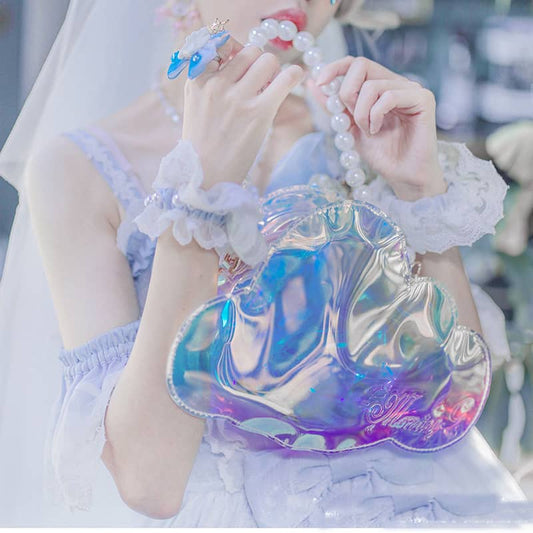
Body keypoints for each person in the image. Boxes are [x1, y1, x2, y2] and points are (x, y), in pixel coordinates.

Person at [0, 0, 532, 527]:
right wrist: (200, 198)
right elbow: (150, 482)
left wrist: (418, 193)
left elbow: (453, 407)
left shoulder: (360, 136)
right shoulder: (76, 170)